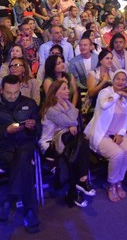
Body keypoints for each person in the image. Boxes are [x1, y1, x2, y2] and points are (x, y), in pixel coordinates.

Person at [0, 74, 42, 234]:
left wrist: (32, 127)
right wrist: (5, 131)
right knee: (25, 165)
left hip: (24, 144)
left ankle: (11, 198)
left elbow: (39, 130)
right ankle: (30, 211)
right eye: (9, 93)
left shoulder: (29, 103)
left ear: (20, 88)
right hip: (2, 149)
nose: (13, 96)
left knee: (23, 156)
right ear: (1, 90)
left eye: (16, 93)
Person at [39, 80, 95, 208]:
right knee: (81, 142)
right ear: (56, 93)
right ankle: (82, 180)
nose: (68, 91)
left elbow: (74, 116)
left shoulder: (66, 104)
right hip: (49, 145)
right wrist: (70, 123)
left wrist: (67, 111)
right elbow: (73, 120)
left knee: (76, 149)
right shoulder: (50, 109)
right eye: (64, 88)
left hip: (65, 141)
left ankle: (75, 191)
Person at [84, 70, 127, 202]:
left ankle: (119, 180)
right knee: (117, 153)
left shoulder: (125, 98)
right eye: (118, 79)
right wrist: (118, 94)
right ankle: (111, 184)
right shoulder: (105, 92)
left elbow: (126, 119)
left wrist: (120, 133)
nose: (120, 82)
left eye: (123, 80)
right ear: (113, 80)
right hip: (102, 133)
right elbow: (104, 104)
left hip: (117, 132)